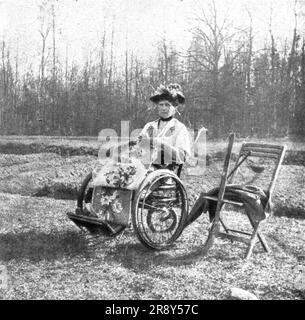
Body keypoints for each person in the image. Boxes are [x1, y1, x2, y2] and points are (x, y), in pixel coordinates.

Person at [139, 83, 191, 169]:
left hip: (165, 173)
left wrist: (162, 145)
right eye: (161, 105)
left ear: (174, 107)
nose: (164, 108)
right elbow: (138, 145)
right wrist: (142, 142)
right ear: (157, 107)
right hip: (143, 168)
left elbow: (182, 156)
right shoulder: (150, 126)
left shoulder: (179, 128)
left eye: (167, 105)